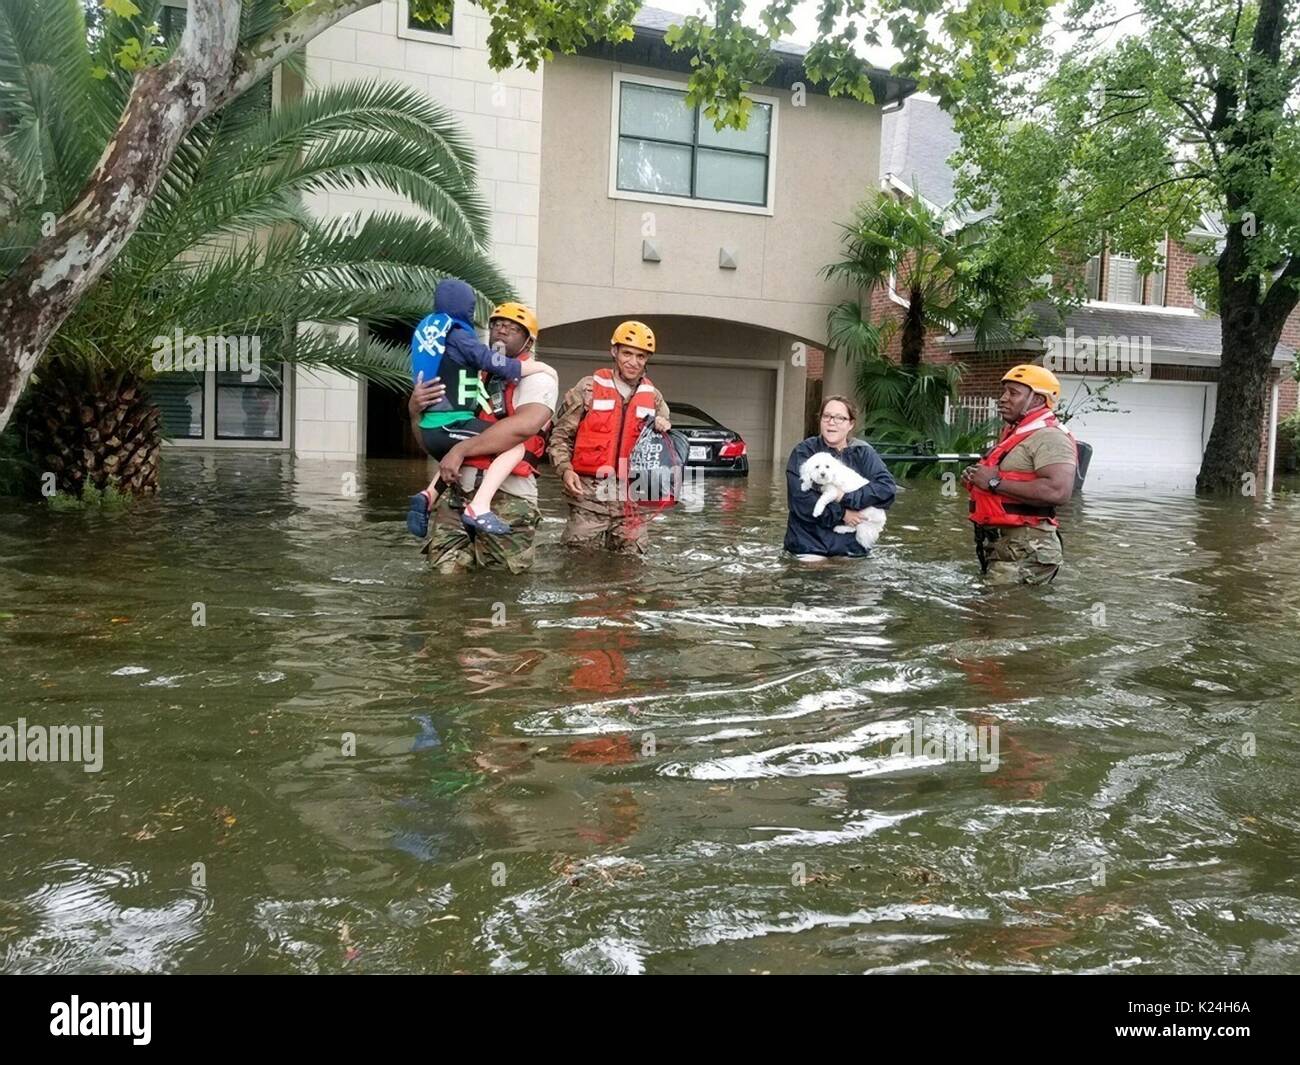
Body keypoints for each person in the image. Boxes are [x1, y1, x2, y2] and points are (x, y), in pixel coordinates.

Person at [407, 308, 559, 575]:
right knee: (443, 582)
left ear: (529, 341)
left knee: (499, 586)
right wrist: (415, 411)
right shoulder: (470, 375)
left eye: (512, 328)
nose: (501, 329)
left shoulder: (538, 378)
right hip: (456, 494)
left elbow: (523, 428)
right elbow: (432, 444)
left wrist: (461, 448)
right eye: (497, 324)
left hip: (509, 497)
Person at [547, 321, 672, 555]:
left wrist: (662, 427)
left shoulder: (654, 399)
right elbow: (560, 435)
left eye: (641, 356)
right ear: (614, 351)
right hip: (588, 498)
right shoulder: (587, 389)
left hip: (633, 504)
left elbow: (664, 451)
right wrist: (565, 469)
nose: (633, 362)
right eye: (627, 353)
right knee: (578, 565)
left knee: (630, 571)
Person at [961, 364, 1078, 585]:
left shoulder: (1050, 437)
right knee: (988, 615)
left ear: (1037, 400)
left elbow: (1058, 491)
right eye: (1004, 392)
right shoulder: (1016, 433)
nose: (1003, 399)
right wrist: (975, 479)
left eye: (1013, 393)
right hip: (1005, 545)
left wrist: (994, 482)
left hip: (1029, 547)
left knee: (999, 615)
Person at [784, 395, 897, 560]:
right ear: (820, 420)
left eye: (840, 418)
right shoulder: (803, 452)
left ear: (850, 424)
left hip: (851, 548)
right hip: (808, 545)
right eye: (827, 416)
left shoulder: (864, 452)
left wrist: (846, 498)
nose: (832, 422)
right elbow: (800, 501)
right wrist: (843, 514)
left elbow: (886, 489)